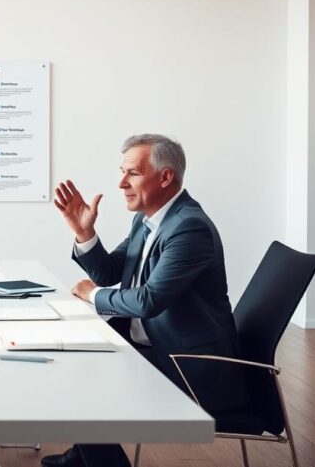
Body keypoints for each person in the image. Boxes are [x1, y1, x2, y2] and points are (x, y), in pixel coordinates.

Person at [42, 134, 248, 467]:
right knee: (71, 361)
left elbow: (148, 301)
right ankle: (88, 455)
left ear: (165, 177)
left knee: (85, 379)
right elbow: (111, 271)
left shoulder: (189, 227)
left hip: (185, 363)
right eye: (122, 172)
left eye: (132, 173)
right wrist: (83, 233)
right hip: (154, 343)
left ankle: (99, 460)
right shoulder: (147, 218)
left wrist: (91, 294)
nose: (121, 183)